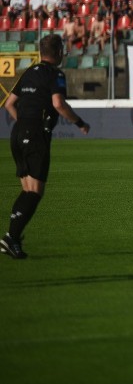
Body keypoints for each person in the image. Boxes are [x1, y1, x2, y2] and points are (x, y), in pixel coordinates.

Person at [2, 34, 91, 259]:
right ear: (59, 52)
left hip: (17, 133)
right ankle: (10, 237)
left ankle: (12, 238)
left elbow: (9, 103)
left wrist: (23, 123)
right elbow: (58, 103)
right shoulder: (55, 74)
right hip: (35, 135)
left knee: (27, 190)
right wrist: (79, 122)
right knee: (35, 192)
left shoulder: (29, 72)